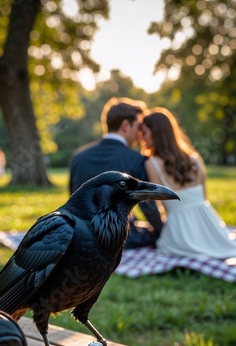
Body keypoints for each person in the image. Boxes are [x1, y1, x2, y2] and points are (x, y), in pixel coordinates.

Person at [140, 107, 236, 258]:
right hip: (209, 225)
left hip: (180, 234)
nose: (142, 138)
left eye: (144, 132)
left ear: (156, 133)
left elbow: (159, 206)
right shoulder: (195, 159)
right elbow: (204, 198)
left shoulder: (152, 164)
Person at [69, 98, 163, 248]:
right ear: (126, 125)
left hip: (81, 236)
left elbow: (73, 200)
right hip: (120, 239)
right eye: (137, 127)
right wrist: (162, 233)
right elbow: (149, 208)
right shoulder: (136, 159)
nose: (139, 134)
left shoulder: (78, 157)